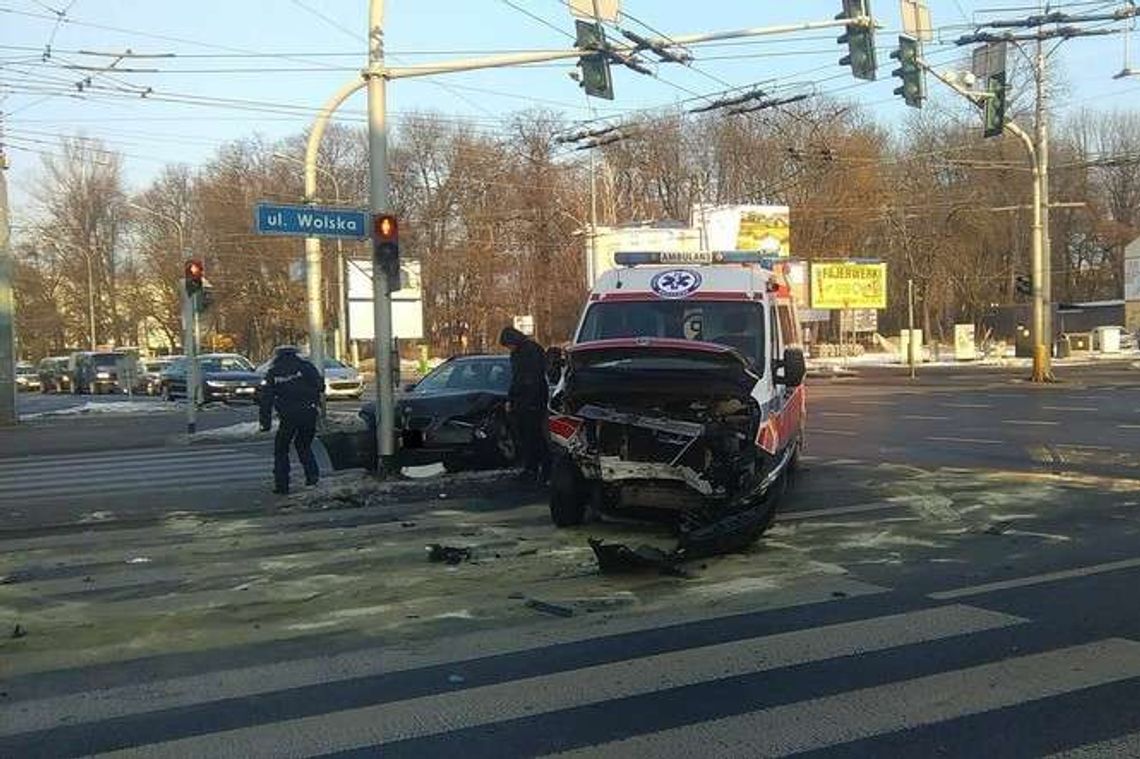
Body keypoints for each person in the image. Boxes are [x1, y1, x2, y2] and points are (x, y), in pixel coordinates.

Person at [259, 345, 323, 494]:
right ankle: (312, 476)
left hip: (288, 416)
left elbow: (266, 399)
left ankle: (282, 484)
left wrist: (265, 423)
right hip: (309, 412)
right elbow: (320, 386)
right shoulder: (306, 367)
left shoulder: (273, 372)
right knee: (304, 445)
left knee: (281, 449)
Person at [499, 326, 550, 483]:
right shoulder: (525, 351)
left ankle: (539, 468)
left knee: (533, 436)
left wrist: (520, 399)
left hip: (531, 400)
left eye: (508, 345)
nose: (509, 348)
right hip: (527, 400)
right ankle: (535, 468)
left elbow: (528, 378)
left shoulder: (528, 352)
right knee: (529, 436)